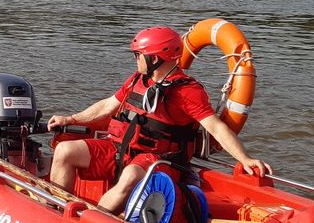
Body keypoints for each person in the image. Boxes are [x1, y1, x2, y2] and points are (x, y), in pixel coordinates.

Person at [47, 26, 271, 213]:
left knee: (131, 175)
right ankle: (57, 209)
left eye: (138, 55)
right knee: (65, 151)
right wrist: (70, 119)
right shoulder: (137, 80)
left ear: (154, 58)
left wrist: (245, 158)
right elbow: (107, 105)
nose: (135, 59)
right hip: (120, 148)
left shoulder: (187, 91)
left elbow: (215, 127)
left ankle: (89, 222)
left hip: (157, 158)